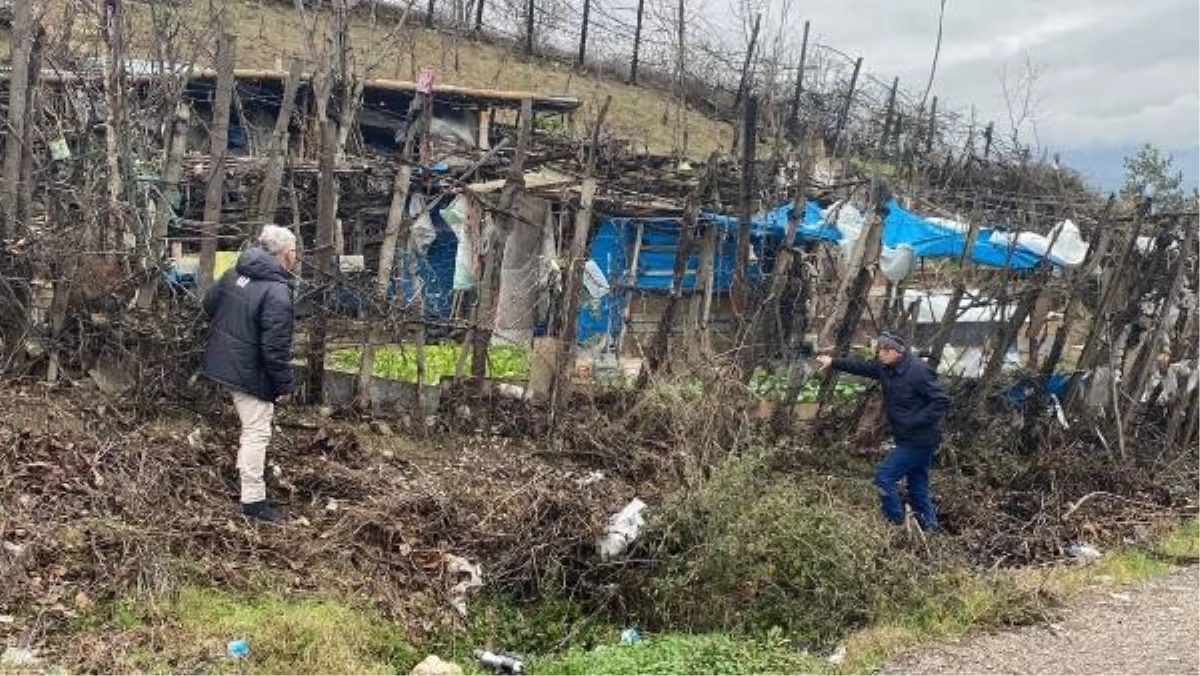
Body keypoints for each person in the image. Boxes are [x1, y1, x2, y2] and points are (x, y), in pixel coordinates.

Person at [200, 225, 298, 523]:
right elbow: (274, 349)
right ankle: (253, 502)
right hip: (248, 371)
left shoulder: (235, 272)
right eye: (294, 250)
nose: (296, 256)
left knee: (250, 429)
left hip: (222, 360)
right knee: (256, 432)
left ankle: (248, 482)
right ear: (284, 254)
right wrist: (284, 386)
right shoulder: (277, 291)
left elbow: (209, 305)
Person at [816, 331, 950, 531]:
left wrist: (914, 421)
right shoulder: (886, 367)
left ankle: (896, 523)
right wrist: (833, 362)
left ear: (897, 352)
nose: (881, 354)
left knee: (883, 477)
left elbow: (941, 400)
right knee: (918, 485)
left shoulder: (918, 371)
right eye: (880, 350)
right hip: (907, 437)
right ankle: (930, 528)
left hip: (919, 439)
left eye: (885, 351)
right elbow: (862, 367)